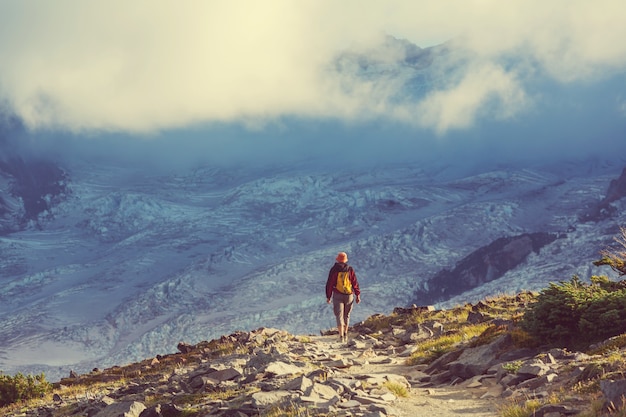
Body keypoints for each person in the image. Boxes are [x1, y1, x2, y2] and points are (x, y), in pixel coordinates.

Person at [326, 251, 361, 343]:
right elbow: (354, 283)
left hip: (337, 295)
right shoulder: (350, 269)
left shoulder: (334, 270)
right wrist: (357, 295)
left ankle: (341, 336)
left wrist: (328, 296)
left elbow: (330, 284)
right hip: (349, 295)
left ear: (337, 259)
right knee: (347, 315)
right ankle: (345, 334)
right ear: (345, 260)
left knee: (339, 315)